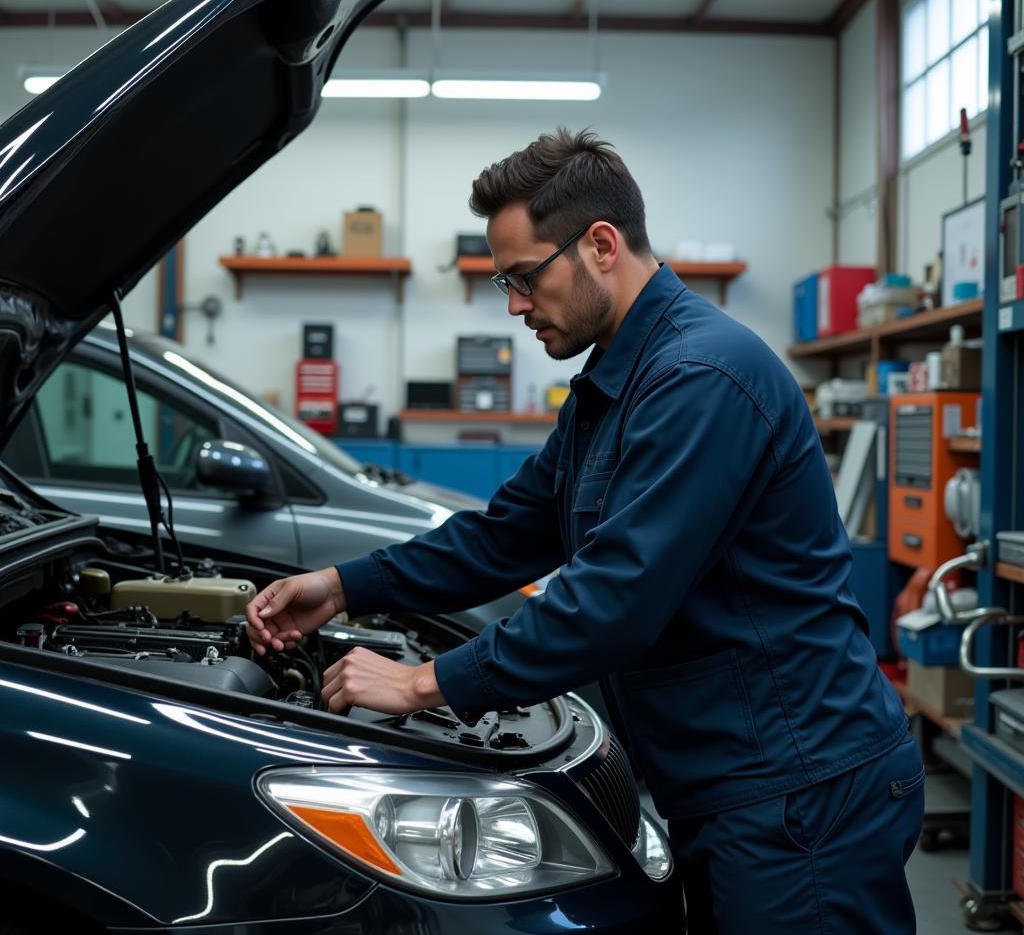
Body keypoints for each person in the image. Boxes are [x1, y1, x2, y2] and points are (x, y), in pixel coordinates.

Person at [245, 128, 924, 934]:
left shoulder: (700, 379)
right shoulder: (615, 382)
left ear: (601, 245)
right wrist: (343, 586)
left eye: (525, 277)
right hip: (733, 784)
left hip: (800, 792)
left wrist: (424, 685)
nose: (516, 305)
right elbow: (505, 535)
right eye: (504, 281)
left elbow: (615, 600)